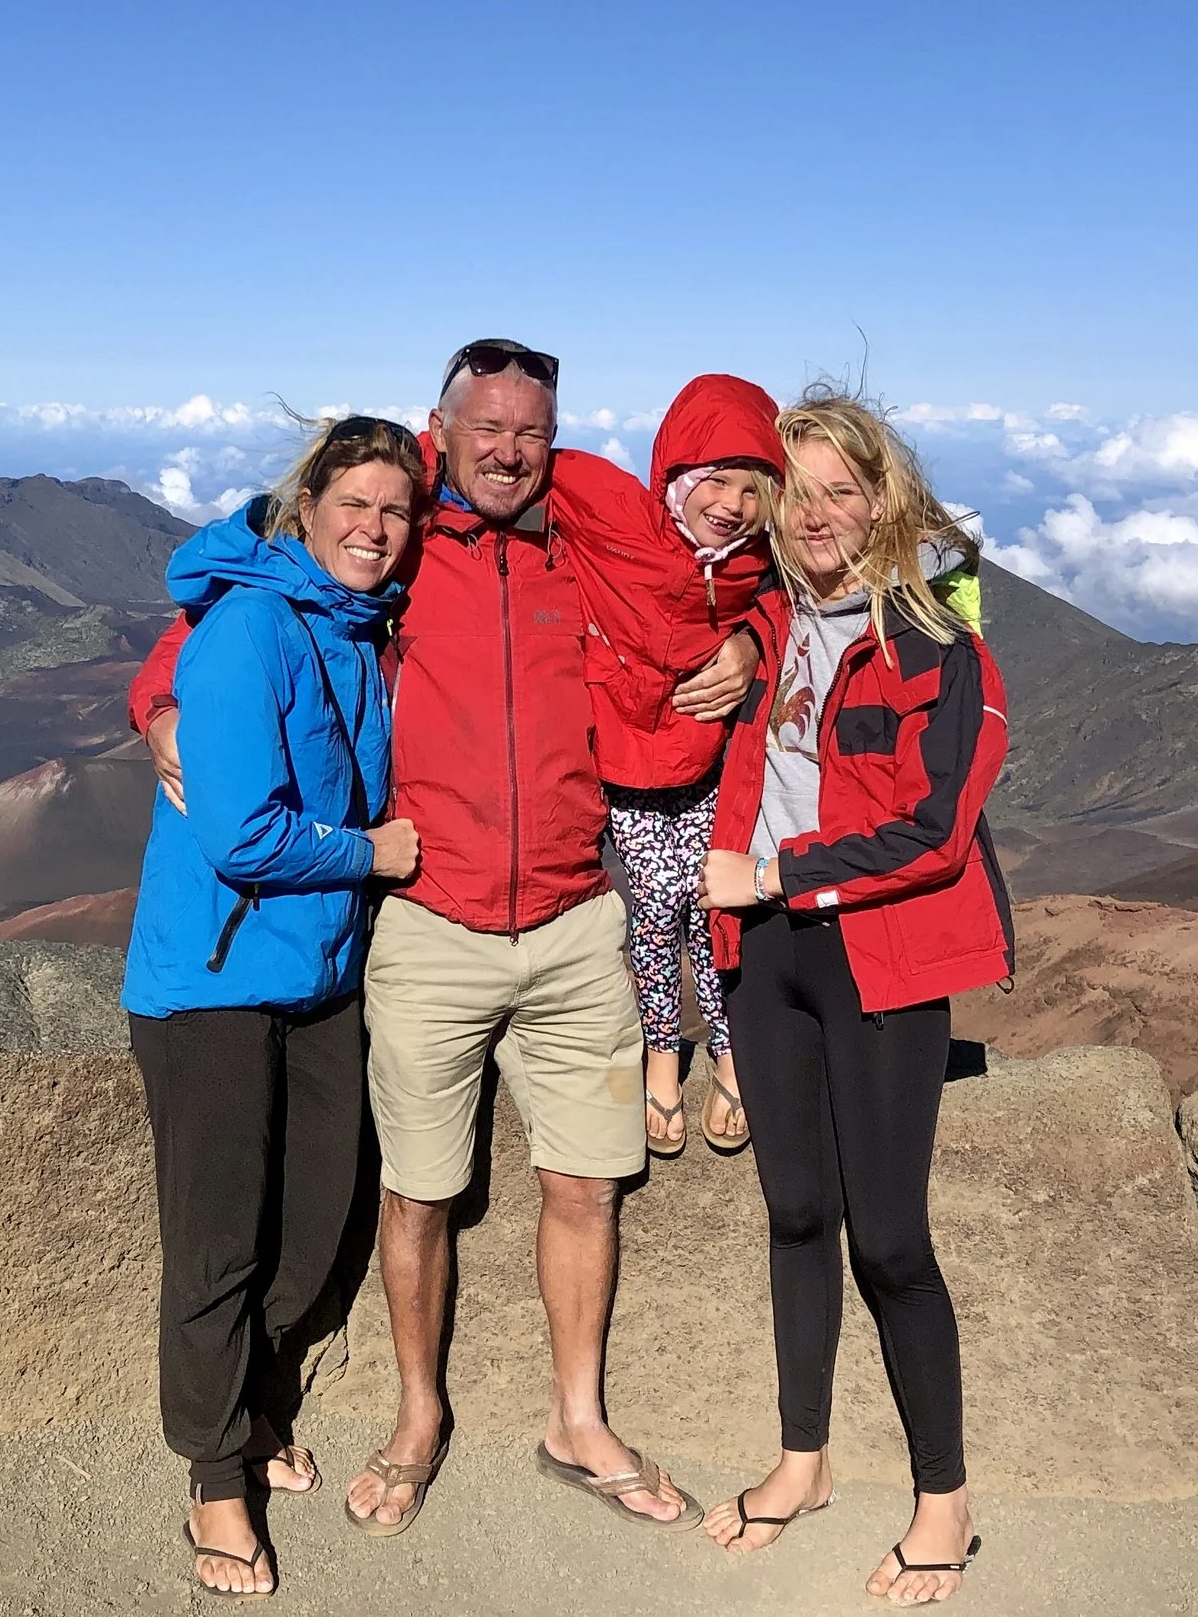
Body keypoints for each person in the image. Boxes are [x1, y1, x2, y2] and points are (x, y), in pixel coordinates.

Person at [134, 340, 759, 1540]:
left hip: (580, 916)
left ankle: (578, 1419)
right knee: (416, 1195)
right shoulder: (402, 537)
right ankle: (418, 1416)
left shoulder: (585, 532)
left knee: (588, 1184)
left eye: (531, 430)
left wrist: (751, 642)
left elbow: (721, 586)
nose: (509, 450)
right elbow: (247, 599)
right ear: (444, 426)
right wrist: (158, 699)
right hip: (429, 923)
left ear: (554, 434)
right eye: (487, 428)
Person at [694, 390, 1014, 1608]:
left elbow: (935, 833)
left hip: (875, 955)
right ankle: (803, 1464)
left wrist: (776, 872)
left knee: (887, 1238)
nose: (819, 516)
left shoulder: (939, 645)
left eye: (842, 491)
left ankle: (945, 1503)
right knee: (792, 1218)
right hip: (764, 955)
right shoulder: (768, 625)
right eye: (799, 493)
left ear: (881, 500)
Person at [122, 416, 427, 1596]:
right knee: (218, 1242)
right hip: (213, 981)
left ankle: (249, 1409)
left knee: (309, 1234)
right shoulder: (251, 626)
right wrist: (371, 853)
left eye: (395, 511)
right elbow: (241, 832)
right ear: (303, 508)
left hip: (317, 981)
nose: (374, 528)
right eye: (353, 503)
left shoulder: (358, 633)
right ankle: (214, 1480)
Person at [543, 375, 784, 1156]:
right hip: (628, 771)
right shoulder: (615, 510)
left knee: (717, 906)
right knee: (656, 911)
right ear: (675, 475)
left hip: (713, 765)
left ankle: (727, 1046)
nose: (733, 503)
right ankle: (660, 1045)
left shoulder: (761, 560)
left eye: (755, 488)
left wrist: (755, 639)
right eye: (715, 478)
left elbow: (826, 585)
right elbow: (512, 457)